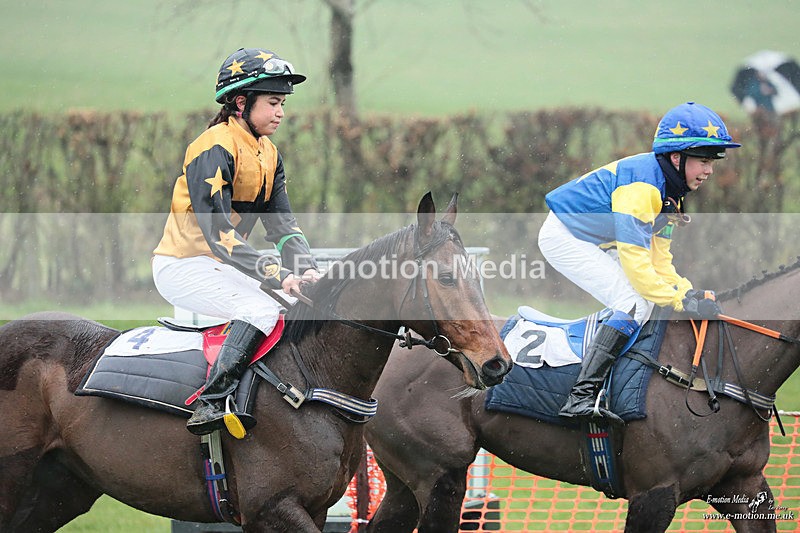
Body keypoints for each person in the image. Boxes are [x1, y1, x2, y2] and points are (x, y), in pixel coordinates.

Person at [537, 102, 741, 423]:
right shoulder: (643, 189)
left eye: (712, 162)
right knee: (633, 302)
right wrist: (678, 301)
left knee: (646, 300)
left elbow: (659, 259)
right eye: (703, 161)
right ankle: (580, 397)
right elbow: (636, 264)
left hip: (596, 239)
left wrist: (685, 292)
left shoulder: (671, 191)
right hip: (566, 236)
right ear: (677, 158)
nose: (709, 171)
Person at [152, 48, 320, 435]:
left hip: (221, 266)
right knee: (259, 310)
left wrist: (307, 269)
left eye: (283, 104)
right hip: (182, 265)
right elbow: (219, 236)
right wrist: (278, 274)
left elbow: (283, 226)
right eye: (273, 102)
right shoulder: (213, 147)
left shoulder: (269, 154)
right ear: (242, 103)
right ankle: (211, 402)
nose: (281, 112)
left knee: (295, 306)